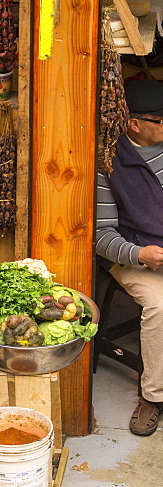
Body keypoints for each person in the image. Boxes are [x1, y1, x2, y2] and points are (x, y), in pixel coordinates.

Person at [96, 79, 163, 436]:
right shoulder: (110, 164)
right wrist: (140, 255)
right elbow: (102, 235)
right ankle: (153, 395)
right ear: (135, 124)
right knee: (160, 306)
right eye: (162, 121)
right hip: (142, 256)